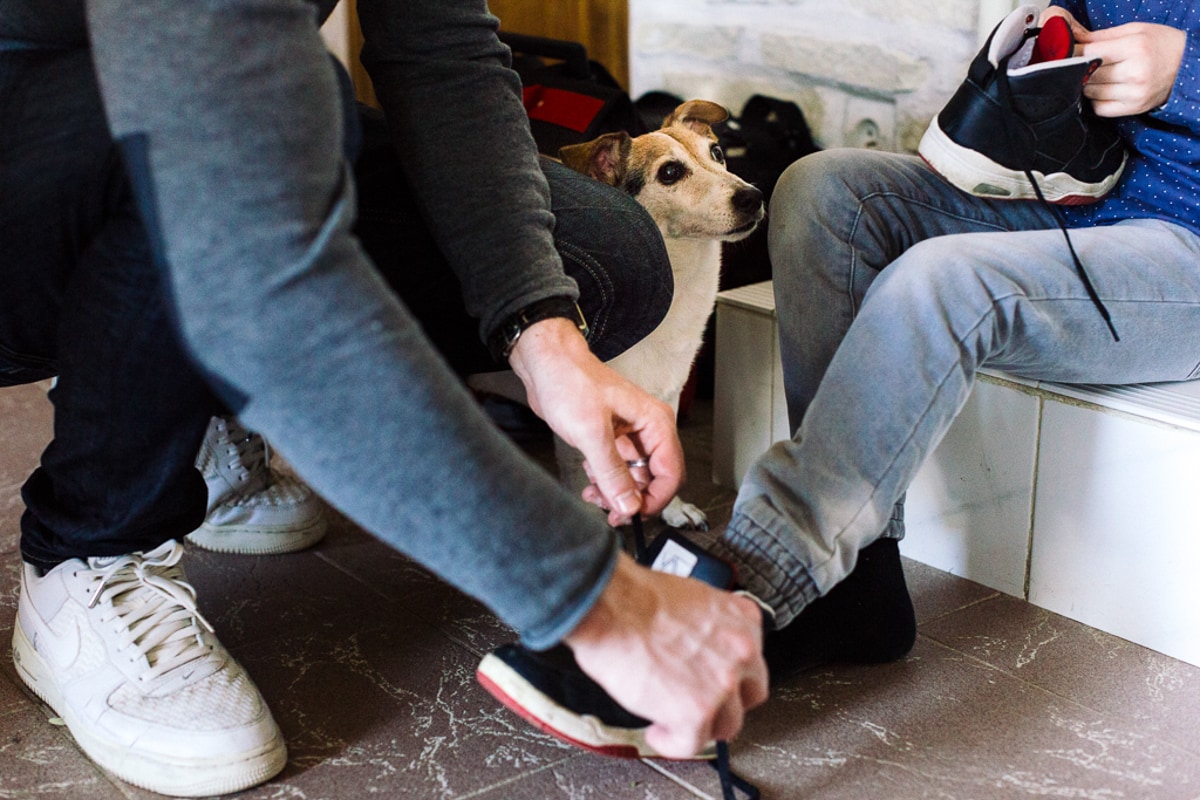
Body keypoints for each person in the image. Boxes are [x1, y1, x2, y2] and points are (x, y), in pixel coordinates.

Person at [2, 1, 768, 796]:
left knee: (606, 258)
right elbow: (252, 246)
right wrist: (595, 600)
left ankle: (181, 400)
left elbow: (445, 51)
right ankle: (93, 545)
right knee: (268, 119)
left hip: (196, 105)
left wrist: (544, 334)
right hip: (35, 142)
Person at [706, 0, 1199, 676]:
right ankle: (858, 588)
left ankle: (761, 579)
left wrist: (1187, 68)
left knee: (943, 279)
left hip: (1187, 244)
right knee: (822, 192)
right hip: (1088, 197)